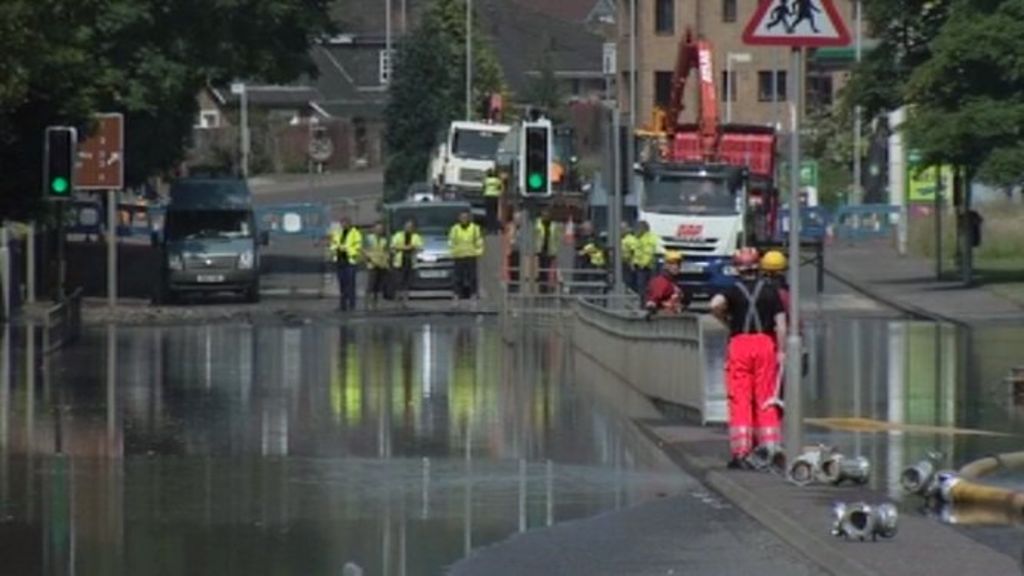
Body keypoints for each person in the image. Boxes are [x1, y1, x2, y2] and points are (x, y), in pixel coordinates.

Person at [710, 247, 788, 469]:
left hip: (740, 344)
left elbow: (714, 305)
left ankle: (742, 453)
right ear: (758, 266)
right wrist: (781, 351)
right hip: (765, 343)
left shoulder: (732, 290)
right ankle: (771, 448)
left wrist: (726, 320)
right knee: (766, 398)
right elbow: (781, 325)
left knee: (740, 398)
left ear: (737, 268)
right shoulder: (771, 291)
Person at [329, 217, 363, 311]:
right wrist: (333, 249)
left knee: (351, 284)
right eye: (342, 223)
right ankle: (342, 305)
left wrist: (346, 249)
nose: (343, 225)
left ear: (349, 223)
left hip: (350, 261)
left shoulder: (355, 233)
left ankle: (352, 305)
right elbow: (333, 244)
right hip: (340, 261)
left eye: (345, 223)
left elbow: (358, 247)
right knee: (342, 284)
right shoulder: (338, 233)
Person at [448, 210, 483, 301]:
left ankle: (473, 294)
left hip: (471, 255)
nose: (464, 219)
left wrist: (478, 252)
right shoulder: (455, 229)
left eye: (466, 217)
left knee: (472, 277)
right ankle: (456, 294)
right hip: (458, 256)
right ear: (459, 219)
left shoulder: (475, 228)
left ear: (469, 218)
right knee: (457, 277)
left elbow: (479, 241)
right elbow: (451, 242)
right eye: (462, 217)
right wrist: (452, 253)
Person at [391, 219, 423, 306]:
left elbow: (420, 247)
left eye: (410, 227)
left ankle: (405, 302)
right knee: (398, 282)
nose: (409, 228)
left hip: (410, 262)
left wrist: (413, 247)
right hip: (399, 262)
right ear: (403, 227)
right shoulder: (398, 235)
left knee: (407, 283)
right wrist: (405, 248)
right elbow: (393, 246)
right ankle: (397, 301)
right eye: (407, 226)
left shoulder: (416, 237)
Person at [644, 251, 688, 315]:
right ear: (665, 265)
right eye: (672, 263)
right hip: (662, 320)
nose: (676, 266)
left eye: (678, 263)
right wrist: (651, 305)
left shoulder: (673, 281)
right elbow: (653, 300)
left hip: (674, 318)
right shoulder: (660, 282)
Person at [364, 222, 390, 310]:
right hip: (372, 264)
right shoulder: (369, 238)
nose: (379, 230)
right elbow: (364, 250)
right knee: (371, 285)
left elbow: (386, 252)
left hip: (382, 264)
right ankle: (368, 304)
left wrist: (385, 263)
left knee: (379, 286)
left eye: (381, 229)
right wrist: (369, 259)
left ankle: (377, 304)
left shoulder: (384, 240)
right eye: (378, 228)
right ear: (374, 229)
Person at [632, 221, 658, 305]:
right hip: (640, 266)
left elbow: (648, 253)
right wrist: (634, 262)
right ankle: (643, 303)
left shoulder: (650, 238)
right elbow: (636, 252)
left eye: (638, 228)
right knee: (641, 287)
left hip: (648, 267)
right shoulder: (638, 238)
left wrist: (642, 264)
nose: (636, 230)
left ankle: (648, 303)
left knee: (648, 287)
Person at [534, 209, 560, 293]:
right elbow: (534, 236)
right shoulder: (537, 223)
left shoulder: (554, 225)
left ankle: (547, 287)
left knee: (548, 269)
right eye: (544, 215)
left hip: (550, 250)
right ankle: (542, 287)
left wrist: (555, 250)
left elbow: (557, 238)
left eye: (547, 215)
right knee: (541, 268)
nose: (545, 216)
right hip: (540, 249)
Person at [620, 222, 638, 292]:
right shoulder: (619, 238)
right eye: (620, 229)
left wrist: (631, 263)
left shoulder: (631, 239)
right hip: (621, 262)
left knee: (628, 281)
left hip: (628, 263)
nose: (621, 230)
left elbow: (633, 252)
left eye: (623, 229)